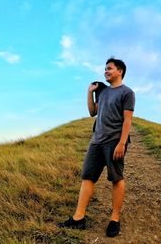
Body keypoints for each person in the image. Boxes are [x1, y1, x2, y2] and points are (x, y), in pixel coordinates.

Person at [57, 57, 135, 237]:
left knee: (116, 178)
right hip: (96, 141)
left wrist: (122, 143)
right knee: (87, 177)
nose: (106, 71)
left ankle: (115, 218)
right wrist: (90, 93)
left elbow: (128, 120)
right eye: (105, 69)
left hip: (114, 141)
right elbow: (92, 112)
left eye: (109, 68)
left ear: (120, 71)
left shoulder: (127, 93)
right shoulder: (103, 92)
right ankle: (78, 218)